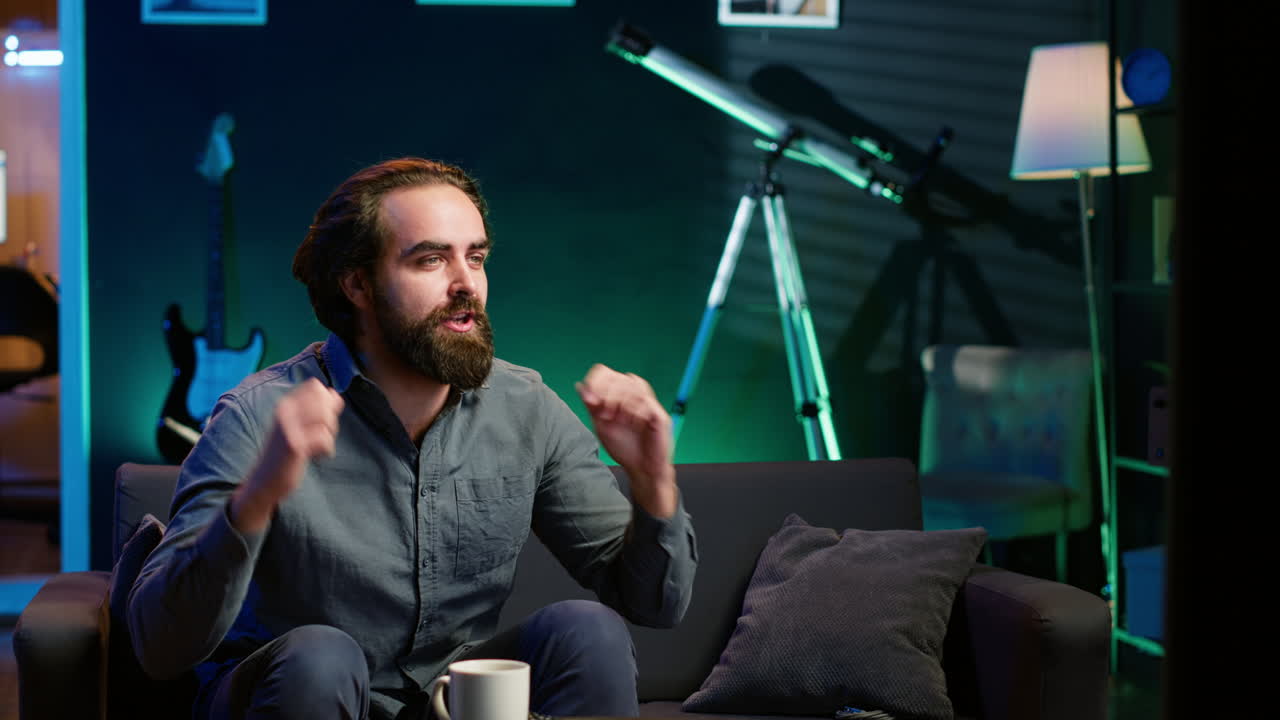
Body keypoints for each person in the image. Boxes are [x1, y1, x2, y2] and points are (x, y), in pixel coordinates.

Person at [128, 157, 698, 720]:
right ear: (358, 284)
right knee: (322, 657)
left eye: (475, 258)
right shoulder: (257, 415)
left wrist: (653, 479)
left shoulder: (527, 409)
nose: (466, 283)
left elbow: (654, 604)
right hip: (297, 692)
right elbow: (159, 647)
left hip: (448, 700)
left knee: (586, 630)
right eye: (431, 260)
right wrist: (257, 496)